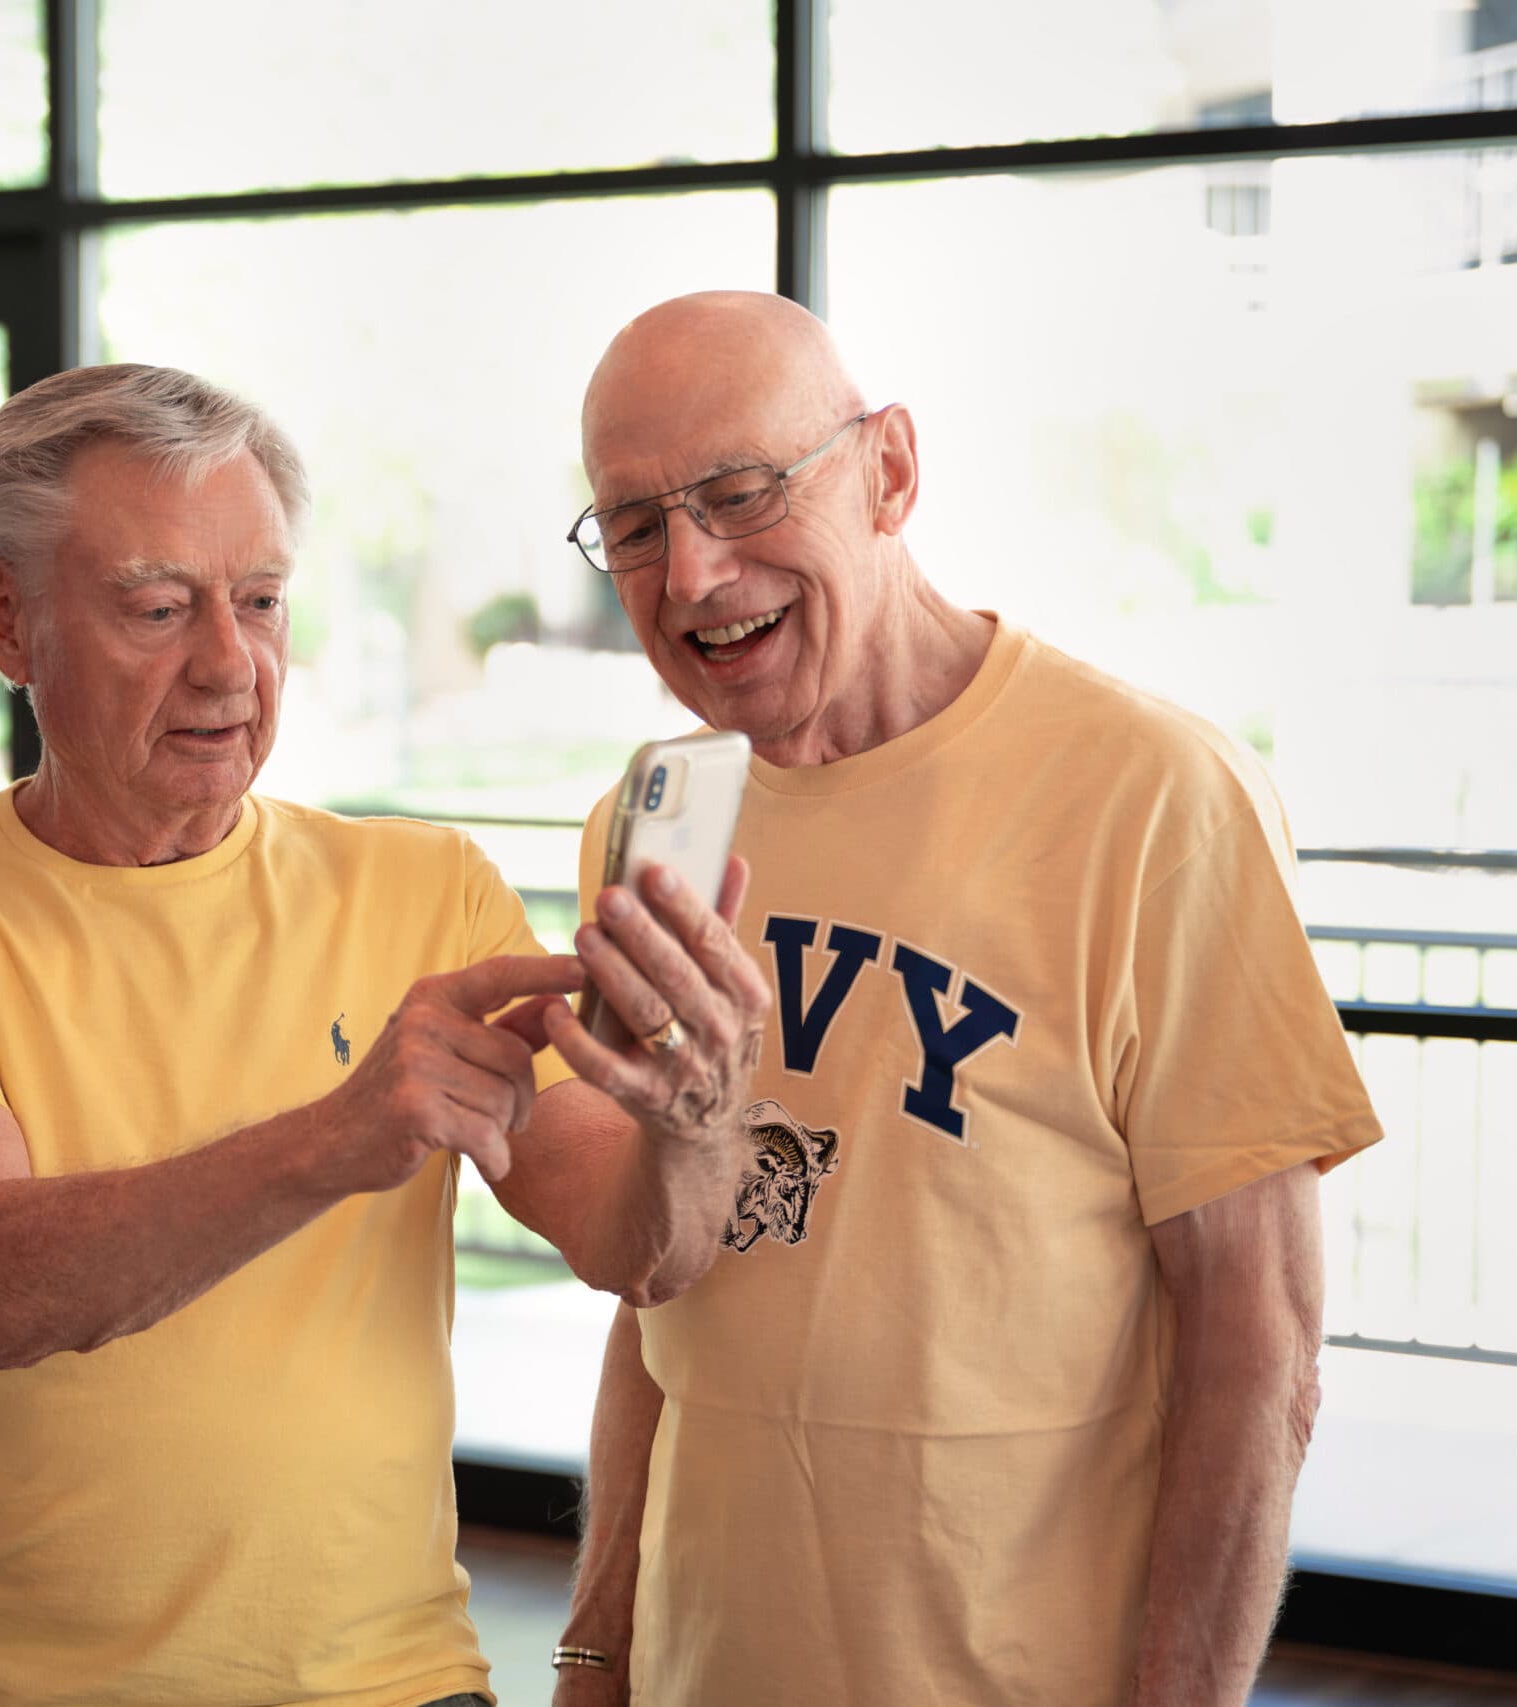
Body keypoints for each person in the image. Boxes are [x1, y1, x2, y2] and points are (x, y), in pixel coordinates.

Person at [0, 362, 774, 1707]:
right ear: (2, 618)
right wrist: (343, 1135)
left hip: (385, 1681)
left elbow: (633, 1247)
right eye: (157, 606)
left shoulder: (427, 889)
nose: (228, 667)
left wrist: (699, 1119)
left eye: (259, 602)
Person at [546, 291, 1383, 1707]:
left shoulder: (1152, 799)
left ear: (889, 472)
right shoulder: (654, 823)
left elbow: (1262, 1345)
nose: (689, 573)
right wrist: (595, 1653)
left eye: (741, 494)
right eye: (634, 526)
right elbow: (658, 1298)